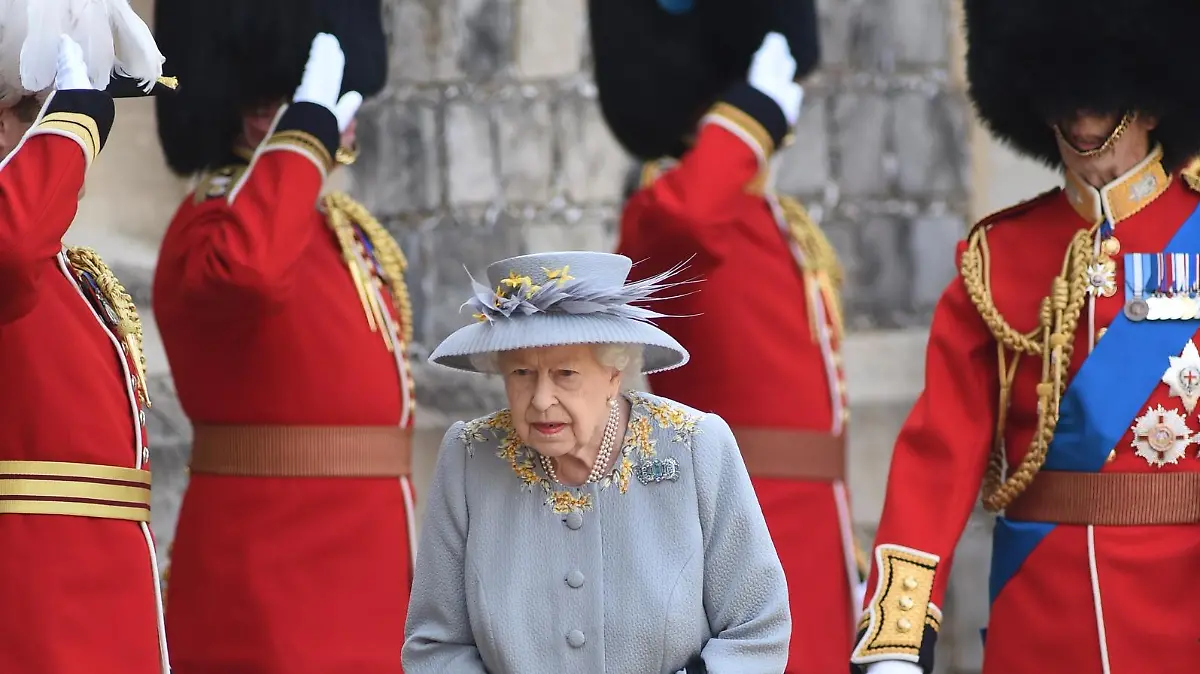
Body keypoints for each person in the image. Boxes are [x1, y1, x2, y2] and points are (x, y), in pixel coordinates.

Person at [851, 1, 1200, 673]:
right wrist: (897, 633)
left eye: (1100, 107)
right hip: (1043, 614)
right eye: (1065, 104)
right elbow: (938, 451)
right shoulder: (999, 256)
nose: (1079, 121)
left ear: (1152, 105)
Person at [594, 0, 864, 670]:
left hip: (814, 551)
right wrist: (747, 117)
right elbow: (684, 220)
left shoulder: (771, 218)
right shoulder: (668, 209)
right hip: (734, 550)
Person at [151, 1, 417, 671]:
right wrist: (304, 134)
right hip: (274, 575)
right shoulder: (217, 222)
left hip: (369, 565)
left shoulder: (323, 221)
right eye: (296, 98)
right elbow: (252, 275)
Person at [404, 251, 790, 673]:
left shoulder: (695, 445)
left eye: (565, 373)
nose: (541, 399)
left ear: (614, 373)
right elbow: (435, 645)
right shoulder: (470, 457)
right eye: (521, 374)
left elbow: (756, 630)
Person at [0, 1, 174, 672]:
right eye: (41, 113)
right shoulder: (19, 255)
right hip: (33, 617)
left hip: (101, 614)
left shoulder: (69, 270)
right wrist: (72, 122)